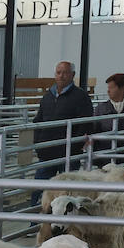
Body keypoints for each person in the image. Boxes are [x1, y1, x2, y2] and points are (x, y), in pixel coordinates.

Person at [31, 60, 93, 190]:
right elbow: (38, 120)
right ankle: (36, 208)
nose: (61, 76)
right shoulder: (48, 96)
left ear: (73, 75)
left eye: (65, 73)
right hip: (47, 151)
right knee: (40, 187)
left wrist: (74, 146)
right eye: (58, 72)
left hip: (68, 152)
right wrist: (39, 144)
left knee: (68, 188)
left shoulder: (81, 96)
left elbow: (85, 123)